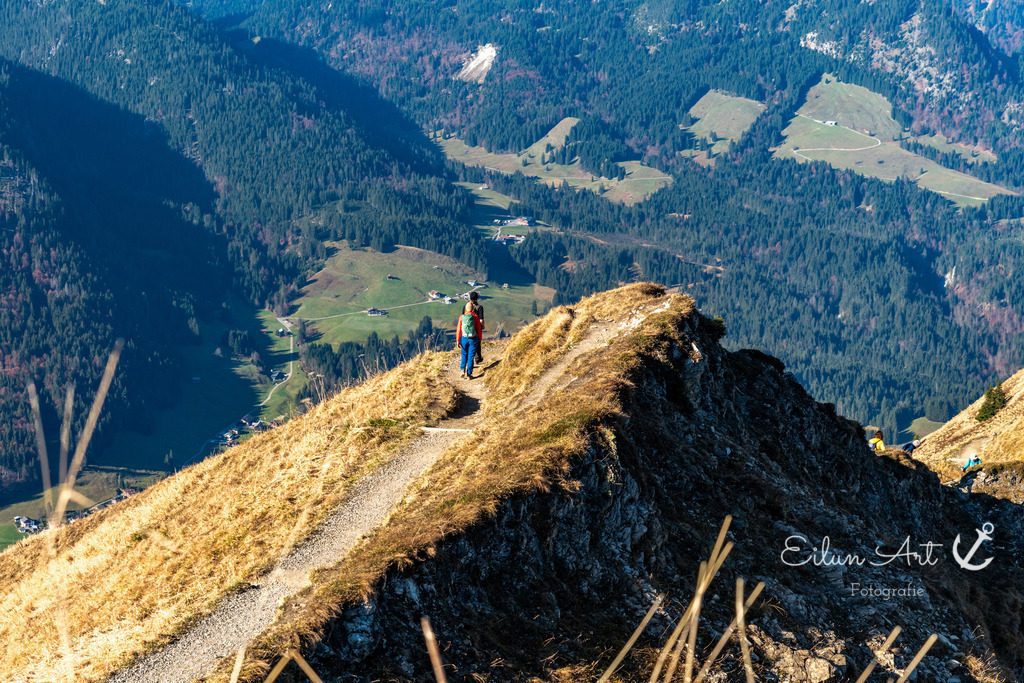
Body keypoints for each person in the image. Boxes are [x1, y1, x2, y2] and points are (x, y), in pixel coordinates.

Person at [456, 302, 482, 379]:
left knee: (464, 354)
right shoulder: (475, 317)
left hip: (463, 338)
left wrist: (458, 340)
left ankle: (462, 370)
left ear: (465, 309)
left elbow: (458, 329)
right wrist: (480, 338)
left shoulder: (461, 317)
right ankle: (469, 374)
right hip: (473, 338)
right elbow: (478, 329)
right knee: (471, 356)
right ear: (473, 309)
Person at [467, 290, 485, 364]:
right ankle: (478, 358)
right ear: (477, 298)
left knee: (468, 343)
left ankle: (469, 359)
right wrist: (482, 326)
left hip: (467, 327)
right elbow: (481, 320)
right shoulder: (479, 307)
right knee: (477, 341)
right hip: (476, 327)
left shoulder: (465, 307)